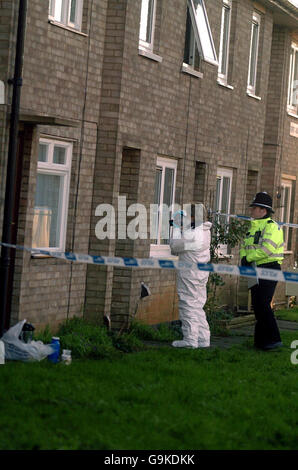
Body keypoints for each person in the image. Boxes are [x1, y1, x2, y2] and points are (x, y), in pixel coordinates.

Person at [240, 192, 284, 351]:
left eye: (254, 208)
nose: (251, 211)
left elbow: (267, 249)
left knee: (263, 304)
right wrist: (244, 259)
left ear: (263, 211)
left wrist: (249, 257)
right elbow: (245, 247)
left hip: (268, 268)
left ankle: (274, 339)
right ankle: (260, 342)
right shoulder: (252, 228)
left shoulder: (272, 226)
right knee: (257, 305)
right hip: (254, 268)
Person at [170, 203, 212, 349]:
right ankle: (203, 338)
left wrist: (176, 227)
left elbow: (174, 247)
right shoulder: (204, 231)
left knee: (188, 304)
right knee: (198, 305)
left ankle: (190, 339)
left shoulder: (193, 234)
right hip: (200, 273)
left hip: (190, 274)